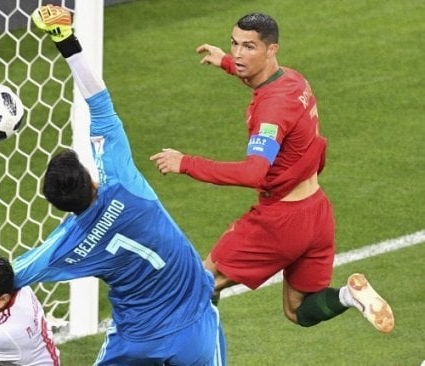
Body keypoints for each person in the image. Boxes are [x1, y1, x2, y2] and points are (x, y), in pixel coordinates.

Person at [0, 4, 226, 365]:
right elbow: (99, 100)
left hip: (135, 340)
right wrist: (64, 37)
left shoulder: (68, 245)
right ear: (90, 176)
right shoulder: (122, 181)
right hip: (195, 323)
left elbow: (7, 278)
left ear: (59, 206)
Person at [150, 12, 394, 333]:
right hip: (317, 213)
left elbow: (254, 173)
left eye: (249, 47)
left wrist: (186, 163)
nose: (238, 53)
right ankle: (350, 296)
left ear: (271, 49)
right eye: (234, 44)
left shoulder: (272, 110)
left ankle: (205, 354)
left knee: (200, 283)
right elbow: (260, 79)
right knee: (298, 310)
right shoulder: (294, 80)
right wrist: (224, 61)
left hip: (281, 221)